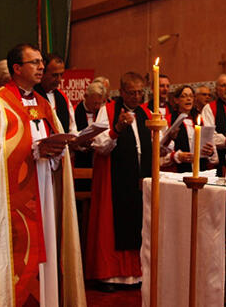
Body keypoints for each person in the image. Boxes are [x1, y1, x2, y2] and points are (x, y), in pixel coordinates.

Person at [0, 43, 86, 306]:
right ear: (17, 68)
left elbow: (56, 151)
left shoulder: (45, 105)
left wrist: (55, 153)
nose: (41, 67)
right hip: (9, 199)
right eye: (34, 62)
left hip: (43, 191)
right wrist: (32, 149)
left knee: (47, 249)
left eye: (41, 63)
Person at [86, 72, 152, 292]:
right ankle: (110, 275)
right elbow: (99, 145)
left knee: (138, 223)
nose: (136, 97)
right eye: (131, 92)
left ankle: (136, 274)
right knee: (113, 223)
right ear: (121, 92)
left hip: (139, 176)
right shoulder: (109, 110)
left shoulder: (146, 113)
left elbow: (152, 146)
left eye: (140, 92)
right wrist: (118, 129)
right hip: (115, 175)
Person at [162, 84, 217, 172]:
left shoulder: (200, 120)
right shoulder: (168, 121)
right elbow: (161, 153)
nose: (188, 99)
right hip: (178, 171)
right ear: (176, 100)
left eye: (191, 96)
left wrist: (210, 152)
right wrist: (177, 156)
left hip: (200, 169)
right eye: (184, 96)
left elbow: (213, 155)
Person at [73, 80, 106, 189]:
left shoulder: (101, 112)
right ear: (86, 96)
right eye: (95, 103)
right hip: (80, 158)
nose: (97, 107)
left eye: (100, 103)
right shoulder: (74, 112)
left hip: (98, 158)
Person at [35, 53, 77, 134]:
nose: (59, 79)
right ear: (42, 73)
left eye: (61, 74)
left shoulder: (63, 97)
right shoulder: (32, 96)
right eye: (54, 75)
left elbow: (72, 128)